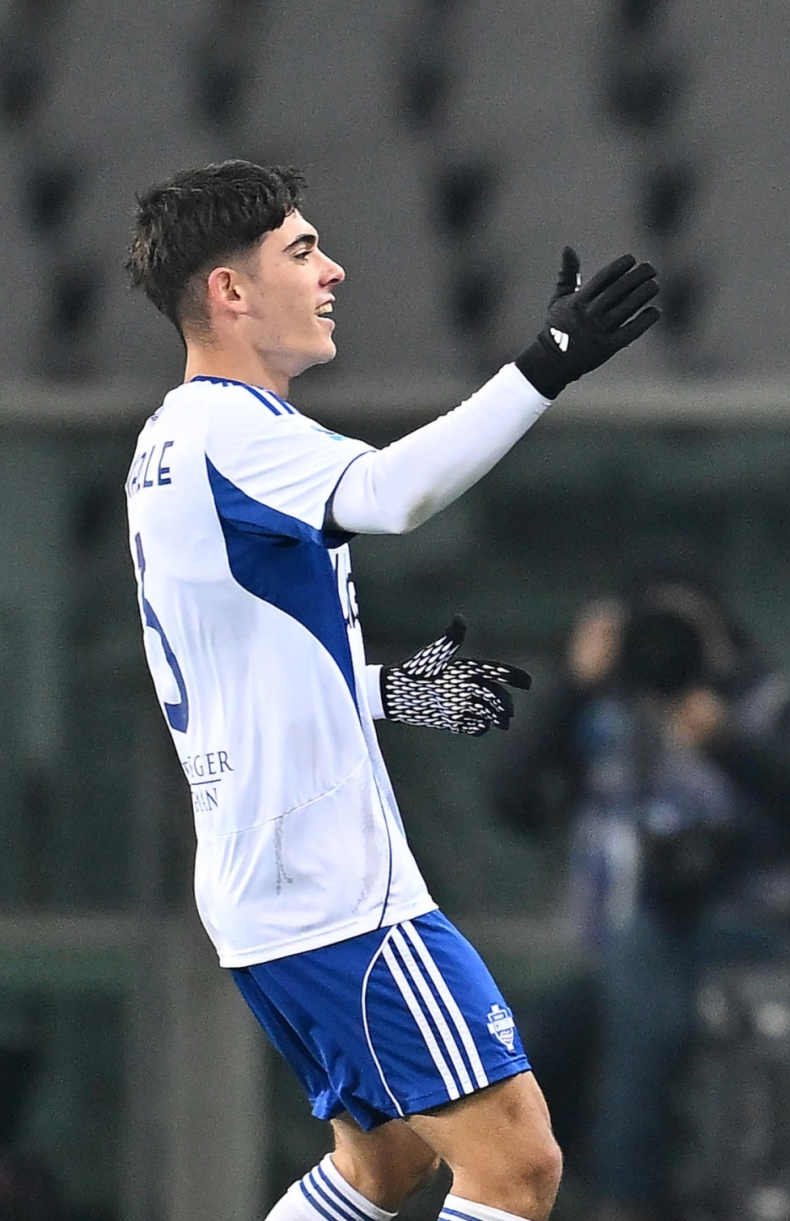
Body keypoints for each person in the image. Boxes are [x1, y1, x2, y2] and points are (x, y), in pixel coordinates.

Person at [123, 160, 658, 1221]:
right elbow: (391, 493)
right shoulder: (231, 429)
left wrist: (378, 692)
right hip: (332, 884)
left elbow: (239, 662)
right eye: (302, 251)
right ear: (229, 292)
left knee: (388, 1167)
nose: (334, 271)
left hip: (264, 877)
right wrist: (547, 364)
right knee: (518, 1165)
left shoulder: (166, 444)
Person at [491, 580, 790, 1218]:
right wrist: (572, 687)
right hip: (628, 953)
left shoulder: (764, 704)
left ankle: (628, 1203)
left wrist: (726, 741)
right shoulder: (607, 717)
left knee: (641, 975)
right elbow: (512, 800)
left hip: (762, 936)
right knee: (527, 1050)